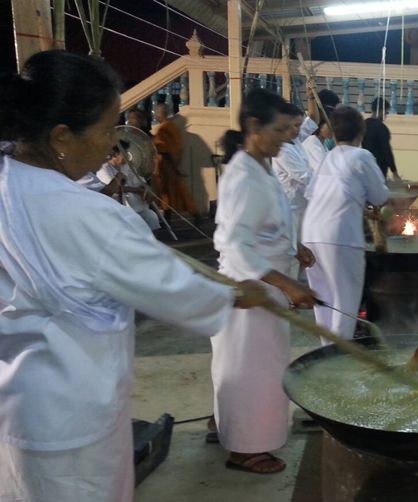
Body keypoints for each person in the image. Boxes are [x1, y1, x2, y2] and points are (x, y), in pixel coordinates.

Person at [0, 50, 270, 502]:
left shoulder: (9, 178)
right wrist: (236, 295)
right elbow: (175, 291)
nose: (113, 147)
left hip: (17, 403)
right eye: (108, 130)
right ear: (61, 136)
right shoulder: (89, 216)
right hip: (75, 410)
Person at [212, 88, 317, 474]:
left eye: (292, 129)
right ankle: (244, 449)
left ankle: (227, 426)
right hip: (248, 290)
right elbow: (234, 245)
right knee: (250, 370)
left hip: (265, 284)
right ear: (254, 126)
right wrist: (287, 284)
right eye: (281, 129)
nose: (288, 137)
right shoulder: (244, 176)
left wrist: (295, 246)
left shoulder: (261, 167)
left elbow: (268, 224)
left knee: (249, 366)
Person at [302, 106, 390, 344]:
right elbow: (380, 196)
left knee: (323, 301)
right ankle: (338, 357)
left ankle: (326, 351)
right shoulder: (361, 156)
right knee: (344, 301)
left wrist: (356, 203)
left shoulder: (327, 156)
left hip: (311, 234)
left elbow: (315, 193)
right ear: (360, 132)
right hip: (340, 236)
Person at [272, 103, 312, 278]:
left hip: (302, 205)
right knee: (292, 253)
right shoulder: (282, 150)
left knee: (302, 250)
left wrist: (311, 95)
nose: (298, 129)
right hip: (290, 208)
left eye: (299, 125)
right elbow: (304, 177)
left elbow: (314, 121)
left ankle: (297, 285)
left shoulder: (295, 141)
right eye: (295, 125)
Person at [152, 102, 200, 220]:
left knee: (174, 192)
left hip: (168, 164)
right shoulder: (168, 127)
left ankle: (195, 214)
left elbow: (169, 149)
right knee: (167, 193)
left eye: (157, 112)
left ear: (161, 113)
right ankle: (167, 217)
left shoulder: (166, 129)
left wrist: (175, 166)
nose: (155, 115)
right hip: (166, 164)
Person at [96, 145, 161, 230]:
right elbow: (112, 188)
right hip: (119, 211)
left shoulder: (129, 167)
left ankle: (153, 242)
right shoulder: (104, 169)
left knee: (152, 217)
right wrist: (137, 190)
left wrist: (146, 188)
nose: (128, 156)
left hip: (138, 208)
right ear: (115, 155)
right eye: (124, 153)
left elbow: (141, 182)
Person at [362, 97, 400, 180]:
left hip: (363, 166)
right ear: (381, 111)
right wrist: (394, 171)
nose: (385, 116)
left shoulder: (363, 125)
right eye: (386, 113)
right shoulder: (381, 128)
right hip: (378, 167)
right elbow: (386, 150)